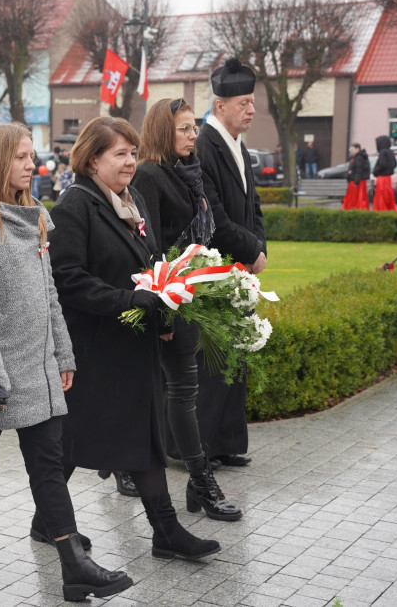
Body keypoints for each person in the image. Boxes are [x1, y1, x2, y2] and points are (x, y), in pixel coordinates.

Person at [0, 121, 133, 601]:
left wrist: (63, 352)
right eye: (21, 157)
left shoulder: (36, 213)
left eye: (32, 156)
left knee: (48, 464)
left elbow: (49, 292)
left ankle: (74, 565)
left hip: (38, 366)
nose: (32, 165)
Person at [49, 116, 220, 561]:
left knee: (134, 436)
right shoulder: (74, 206)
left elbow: (149, 264)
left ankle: (162, 531)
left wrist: (161, 309)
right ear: (92, 160)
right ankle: (162, 530)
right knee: (85, 438)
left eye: (133, 153)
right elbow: (67, 279)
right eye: (120, 154)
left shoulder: (132, 199)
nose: (130, 162)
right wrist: (130, 300)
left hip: (133, 342)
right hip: (97, 347)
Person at [134, 98, 242, 522]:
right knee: (179, 390)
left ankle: (192, 482)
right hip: (165, 298)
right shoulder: (149, 174)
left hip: (188, 296)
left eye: (193, 127)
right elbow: (148, 247)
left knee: (179, 390)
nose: (193, 135)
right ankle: (200, 481)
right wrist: (163, 311)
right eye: (183, 129)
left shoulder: (189, 172)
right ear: (163, 132)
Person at [196, 57, 266, 468]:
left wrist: (260, 247)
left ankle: (226, 443)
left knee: (236, 358)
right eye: (244, 103)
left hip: (241, 267)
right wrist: (251, 251)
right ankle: (199, 447)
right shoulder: (205, 145)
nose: (251, 109)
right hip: (218, 268)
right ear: (220, 106)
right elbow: (215, 218)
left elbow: (253, 206)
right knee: (214, 364)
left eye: (252, 101)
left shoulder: (239, 145)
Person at [372, 135, 397, 211]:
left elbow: (382, 164)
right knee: (388, 195)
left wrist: (376, 171)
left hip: (381, 177)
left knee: (381, 195)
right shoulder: (391, 152)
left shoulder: (382, 152)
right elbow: (395, 164)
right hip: (388, 178)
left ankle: (381, 209)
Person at [342, 144, 371, 210]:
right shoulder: (357, 157)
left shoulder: (359, 158)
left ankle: (355, 208)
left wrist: (356, 182)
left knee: (356, 197)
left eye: (352, 149)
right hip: (355, 180)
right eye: (350, 150)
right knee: (355, 197)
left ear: (358, 149)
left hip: (357, 181)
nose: (351, 151)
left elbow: (359, 170)